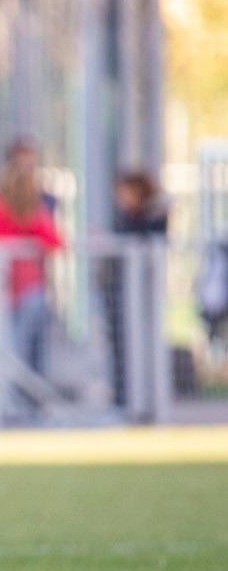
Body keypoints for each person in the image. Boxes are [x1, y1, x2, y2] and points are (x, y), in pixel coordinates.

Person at [0, 138, 65, 421]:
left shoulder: (36, 208)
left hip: (26, 292)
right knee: (10, 348)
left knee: (25, 341)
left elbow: (55, 241)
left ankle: (27, 401)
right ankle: (13, 403)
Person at [105, 169, 168, 408]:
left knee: (143, 345)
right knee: (120, 347)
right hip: (118, 291)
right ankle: (123, 398)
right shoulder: (123, 217)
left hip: (141, 295)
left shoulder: (151, 217)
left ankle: (144, 399)